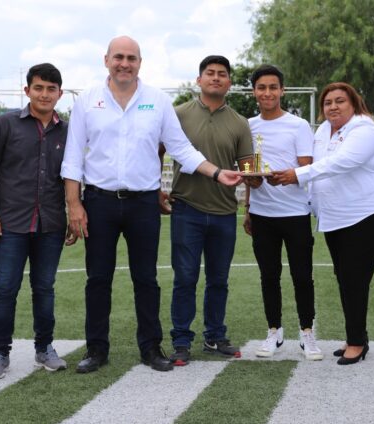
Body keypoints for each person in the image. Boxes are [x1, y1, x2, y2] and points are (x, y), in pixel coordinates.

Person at [61, 36, 241, 374]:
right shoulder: (87, 101)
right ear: (106, 60)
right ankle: (96, 349)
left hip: (143, 203)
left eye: (131, 58)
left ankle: (150, 347)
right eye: (119, 57)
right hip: (98, 201)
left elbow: (182, 149)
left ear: (140, 63)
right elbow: (73, 158)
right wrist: (74, 204)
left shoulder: (157, 101)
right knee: (98, 278)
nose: (124, 63)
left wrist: (217, 173)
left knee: (146, 279)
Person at [272, 82, 374, 365]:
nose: (333, 107)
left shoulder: (364, 128)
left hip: (366, 215)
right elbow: (319, 164)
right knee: (346, 278)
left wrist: (298, 175)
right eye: (328, 103)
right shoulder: (324, 130)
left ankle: (356, 342)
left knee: (354, 279)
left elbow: (340, 163)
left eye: (340, 101)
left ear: (353, 103)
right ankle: (358, 336)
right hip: (336, 217)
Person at [0, 63, 73, 380]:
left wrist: (75, 211)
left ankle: (44, 349)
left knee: (44, 288)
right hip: (10, 223)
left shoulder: (68, 130)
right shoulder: (5, 124)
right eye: (39, 88)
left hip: (51, 224)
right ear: (27, 90)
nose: (44, 94)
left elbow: (73, 175)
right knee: (6, 289)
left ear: (60, 93)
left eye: (51, 89)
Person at [161, 55, 253, 366]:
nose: (216, 78)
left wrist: (254, 197)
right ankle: (181, 341)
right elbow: (155, 151)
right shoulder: (177, 114)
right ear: (199, 80)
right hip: (187, 210)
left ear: (229, 83)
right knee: (185, 278)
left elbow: (249, 168)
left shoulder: (240, 123)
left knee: (218, 279)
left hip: (225, 212)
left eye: (222, 74)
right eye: (210, 73)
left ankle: (215, 336)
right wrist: (155, 189)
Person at [242, 64, 321, 360]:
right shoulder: (247, 126)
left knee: (302, 276)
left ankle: (307, 333)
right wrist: (249, 205)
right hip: (263, 214)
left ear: (282, 90)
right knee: (268, 276)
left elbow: (305, 168)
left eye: (273, 87)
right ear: (254, 92)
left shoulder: (298, 125)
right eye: (261, 88)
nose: (267, 93)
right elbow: (250, 169)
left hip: (295, 213)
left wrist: (286, 175)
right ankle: (274, 331)